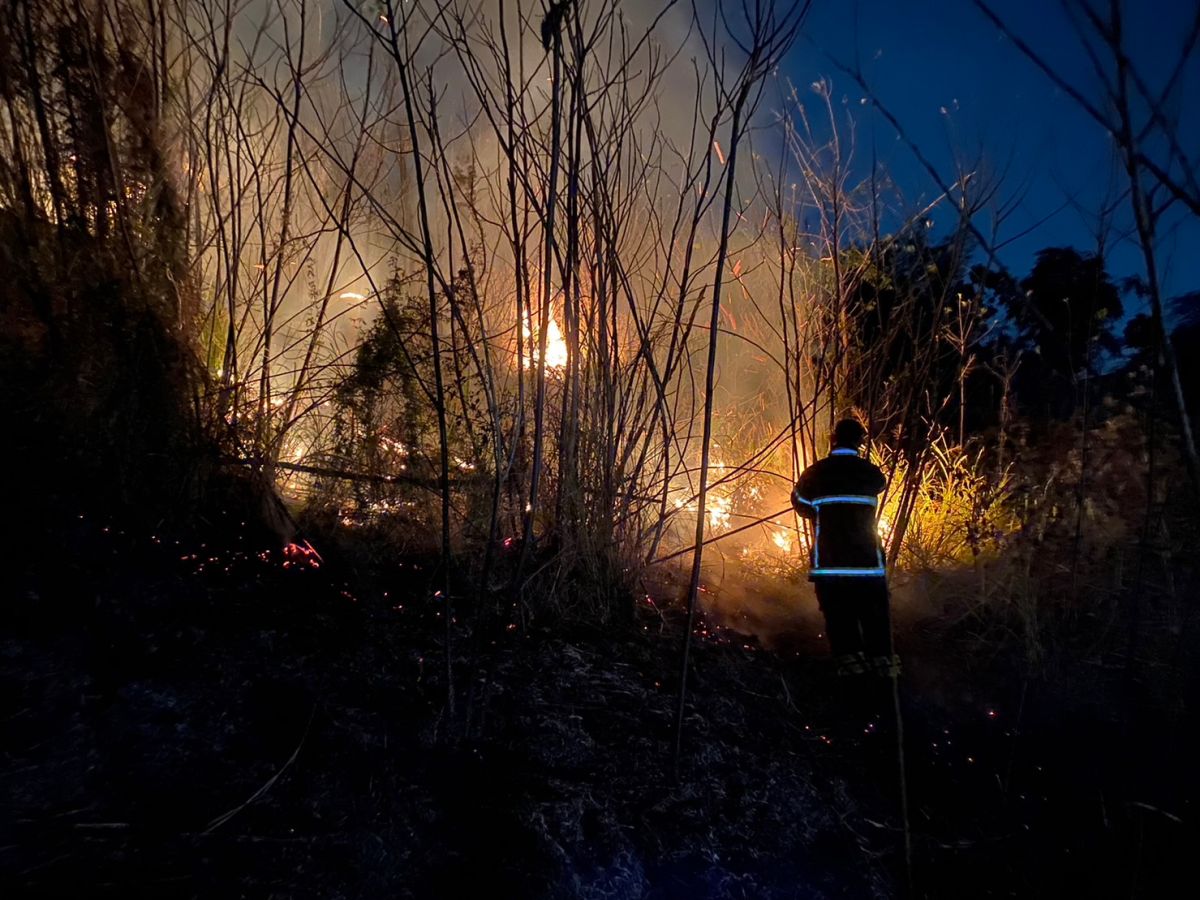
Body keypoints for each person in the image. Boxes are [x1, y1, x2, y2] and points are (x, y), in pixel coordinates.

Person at [791, 418, 899, 681]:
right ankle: (885, 675)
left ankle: (852, 683)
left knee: (840, 620)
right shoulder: (873, 474)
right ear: (861, 442)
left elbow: (800, 503)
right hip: (868, 566)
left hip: (831, 565)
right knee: (875, 617)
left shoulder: (814, 474)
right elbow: (880, 487)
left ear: (833, 439)